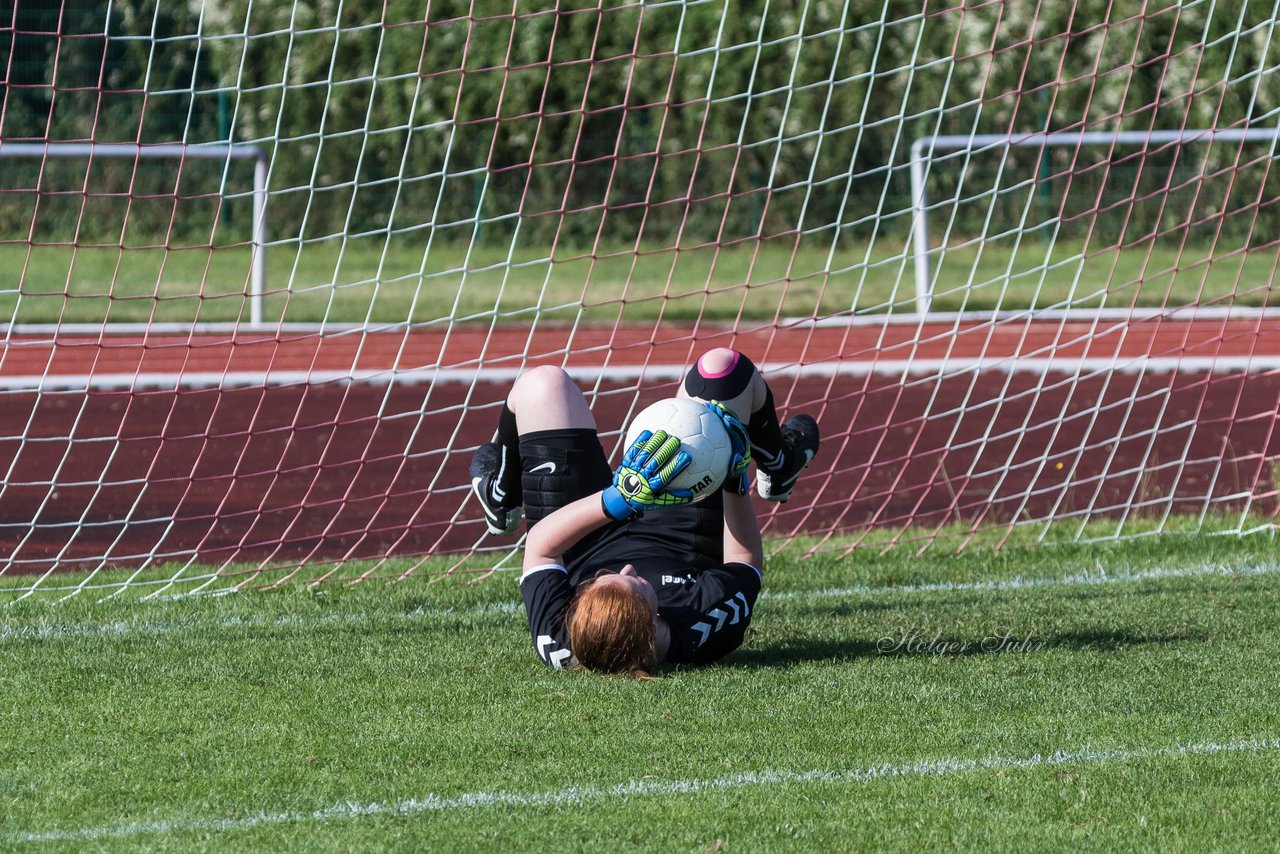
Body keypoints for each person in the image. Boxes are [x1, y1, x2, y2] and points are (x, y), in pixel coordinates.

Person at [469, 349, 819, 677]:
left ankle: (502, 489)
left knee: (542, 384)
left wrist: (617, 500)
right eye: (636, 583)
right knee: (720, 368)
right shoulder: (703, 627)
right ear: (653, 626)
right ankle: (777, 463)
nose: (628, 567)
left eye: (604, 578)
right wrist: (734, 479)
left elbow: (541, 547)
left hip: (580, 534)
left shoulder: (560, 637)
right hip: (684, 526)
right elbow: (744, 561)